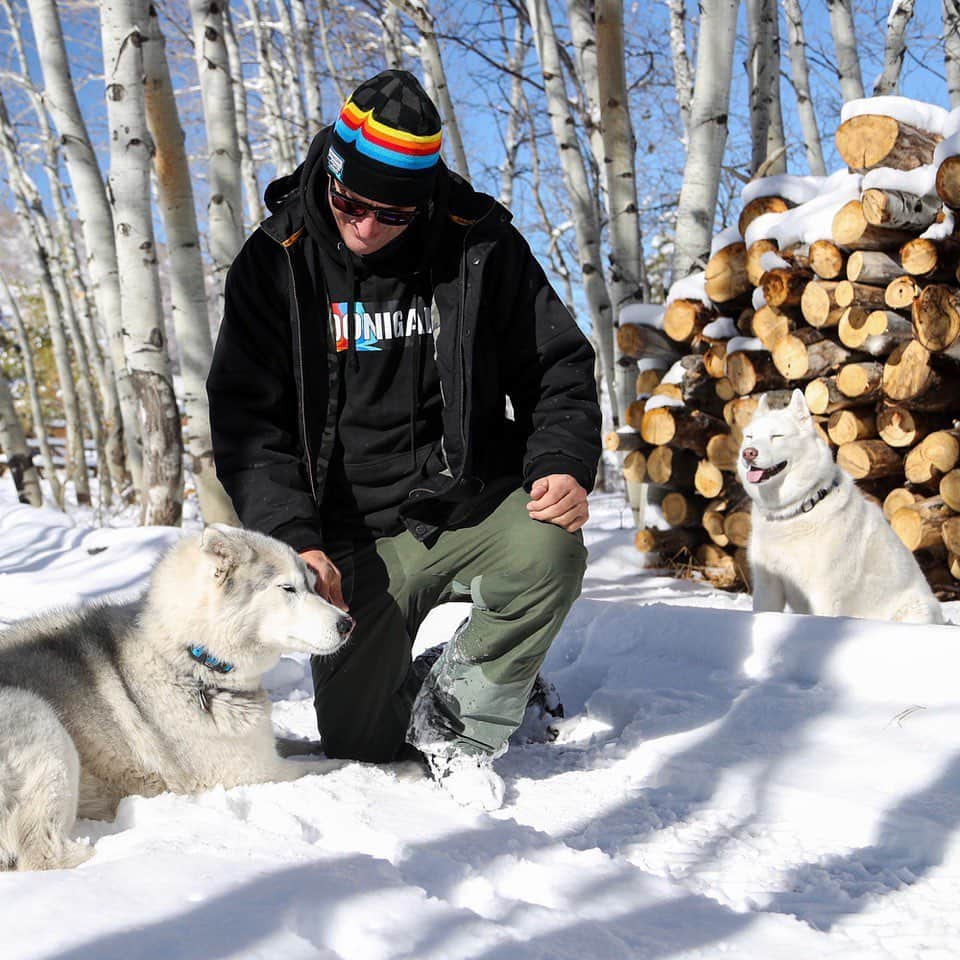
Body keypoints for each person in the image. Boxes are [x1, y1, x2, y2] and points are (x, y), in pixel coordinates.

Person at [207, 70, 601, 811]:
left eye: (391, 213)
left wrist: (562, 463)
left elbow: (557, 364)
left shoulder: (478, 242)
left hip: (466, 505)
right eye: (351, 202)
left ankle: (464, 720)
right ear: (330, 174)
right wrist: (296, 540)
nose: (365, 224)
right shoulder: (277, 262)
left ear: (424, 201)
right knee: (363, 747)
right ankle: (440, 676)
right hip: (345, 542)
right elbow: (247, 423)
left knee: (549, 545)